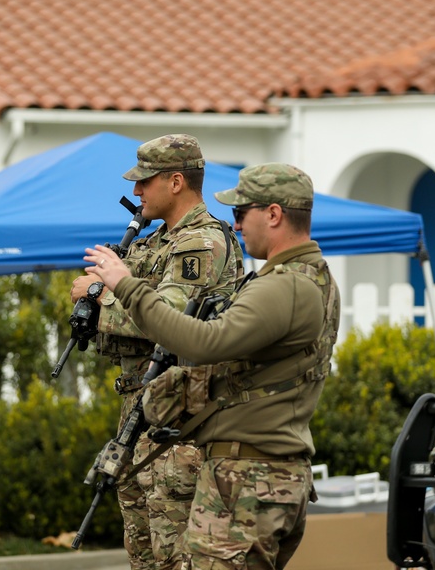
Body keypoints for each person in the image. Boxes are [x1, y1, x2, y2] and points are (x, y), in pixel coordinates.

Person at [85, 163, 341, 570]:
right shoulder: (312, 277)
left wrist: (125, 285)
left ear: (273, 214)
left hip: (247, 477)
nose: (235, 225)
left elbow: (203, 342)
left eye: (241, 214)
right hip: (265, 471)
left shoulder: (286, 285)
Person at [70, 133, 244, 570]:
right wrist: (101, 297)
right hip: (138, 411)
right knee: (144, 554)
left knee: (177, 557)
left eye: (145, 181)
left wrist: (102, 293)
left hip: (178, 423)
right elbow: (118, 318)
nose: (136, 191)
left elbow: (166, 319)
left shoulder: (201, 243)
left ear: (176, 182)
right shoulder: (157, 241)